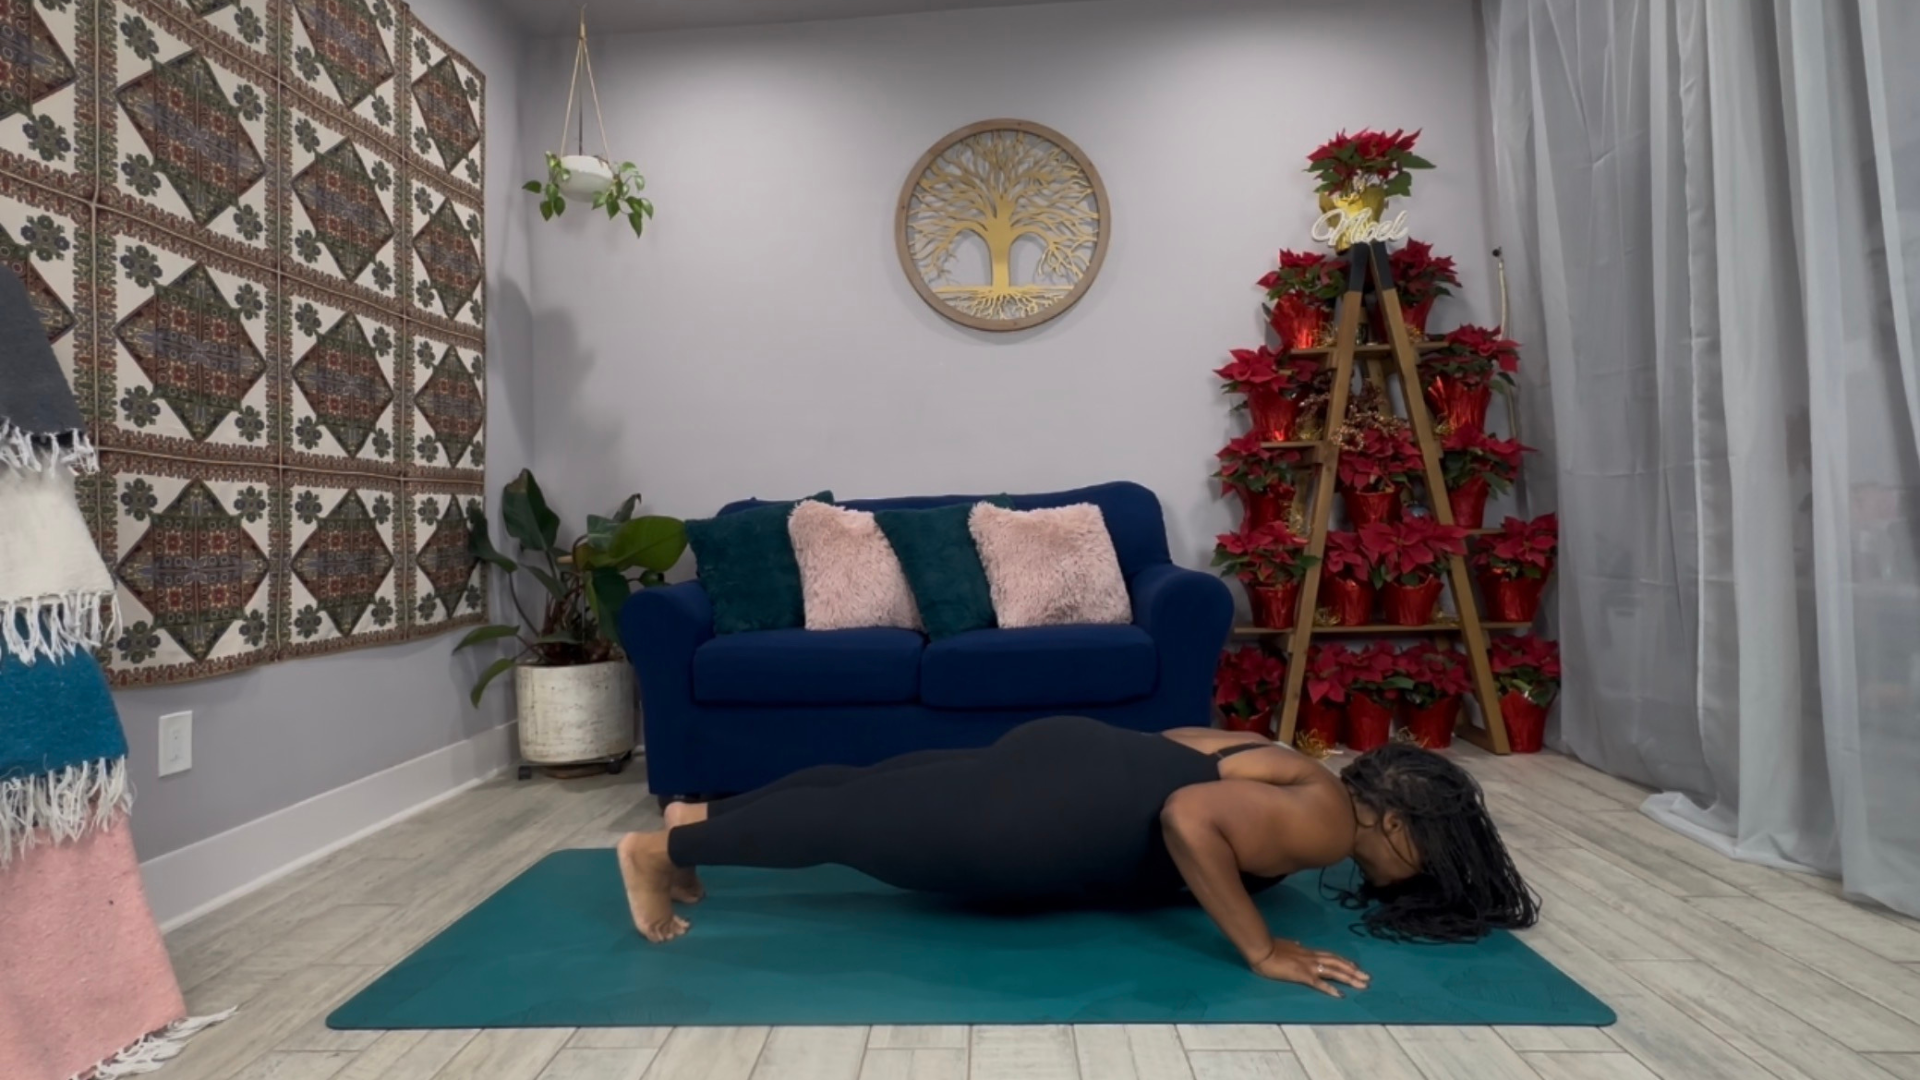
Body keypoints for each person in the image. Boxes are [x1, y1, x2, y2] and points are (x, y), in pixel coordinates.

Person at [616, 715, 1538, 995]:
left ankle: (702, 820)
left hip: (1061, 753)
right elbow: (1189, 816)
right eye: (1432, 858)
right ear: (1406, 828)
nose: (1413, 875)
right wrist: (1260, 948)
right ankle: (660, 854)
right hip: (1042, 813)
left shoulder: (1297, 762)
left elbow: (1182, 748)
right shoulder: (1331, 821)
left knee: (861, 787)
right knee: (854, 828)